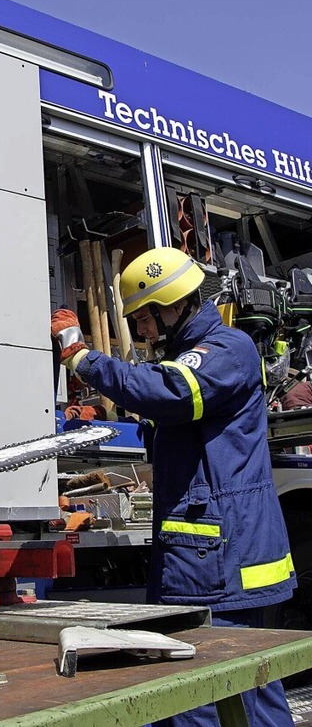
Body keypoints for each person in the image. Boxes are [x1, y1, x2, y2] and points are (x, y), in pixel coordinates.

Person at [52, 246, 296, 726]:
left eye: (144, 317)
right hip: (212, 559)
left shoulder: (227, 349)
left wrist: (84, 358)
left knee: (198, 699)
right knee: (245, 693)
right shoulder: (199, 355)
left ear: (175, 304)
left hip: (219, 564)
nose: (141, 330)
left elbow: (173, 392)